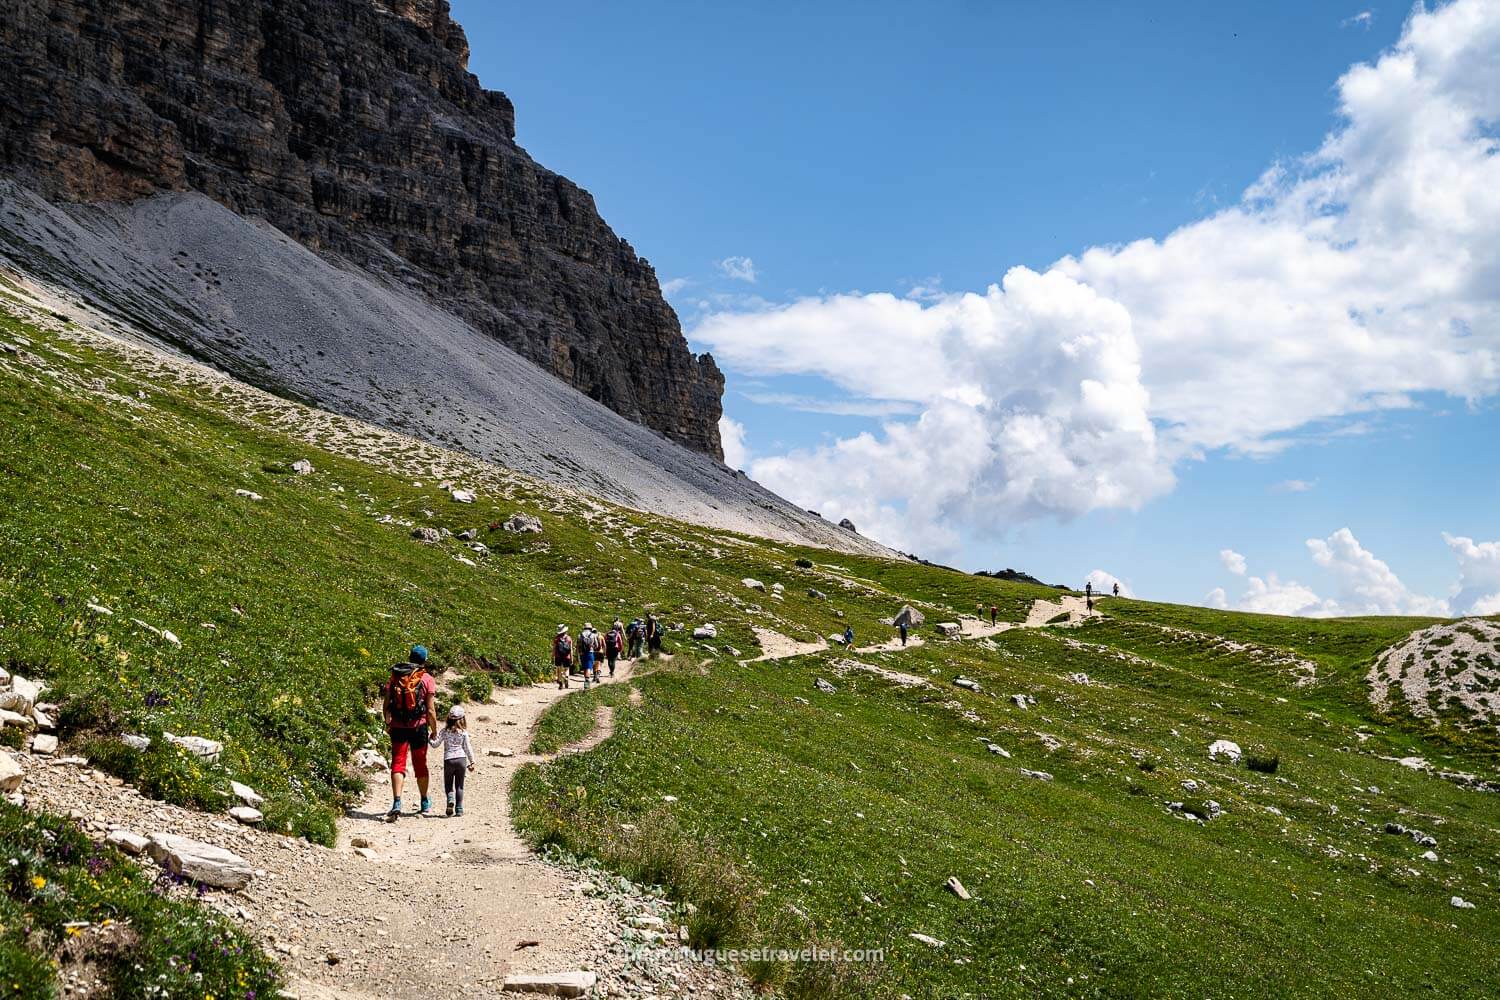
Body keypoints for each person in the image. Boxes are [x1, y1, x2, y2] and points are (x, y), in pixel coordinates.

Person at [383, 645, 437, 820]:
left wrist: (388, 722)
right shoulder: (427, 678)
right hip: (418, 726)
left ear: (409, 657)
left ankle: (397, 802)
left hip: (398, 726)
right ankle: (424, 801)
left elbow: (386, 705)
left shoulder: (395, 676)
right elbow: (430, 711)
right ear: (424, 660)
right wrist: (434, 730)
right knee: (420, 763)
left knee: (398, 763)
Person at [437, 704, 476, 817]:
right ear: (463, 719)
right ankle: (459, 809)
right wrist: (472, 761)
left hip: (448, 760)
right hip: (461, 759)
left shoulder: (444, 731)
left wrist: (430, 738)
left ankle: (450, 799)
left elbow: (436, 744)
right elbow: (468, 748)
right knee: (460, 785)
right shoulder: (464, 733)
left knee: (449, 784)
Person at [551, 625, 573, 689]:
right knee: (566, 669)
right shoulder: (569, 638)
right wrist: (571, 658)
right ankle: (566, 677)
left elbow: (554, 649)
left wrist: (552, 657)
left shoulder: (556, 639)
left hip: (558, 656)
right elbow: (571, 649)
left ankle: (560, 681)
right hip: (567, 656)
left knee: (558, 669)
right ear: (565, 631)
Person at [579, 622, 599, 687]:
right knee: (589, 667)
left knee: (585, 667)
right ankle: (587, 681)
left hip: (582, 653)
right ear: (590, 628)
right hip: (590, 652)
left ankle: (586, 679)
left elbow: (578, 645)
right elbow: (596, 645)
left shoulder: (580, 635)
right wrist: (592, 647)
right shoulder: (593, 635)